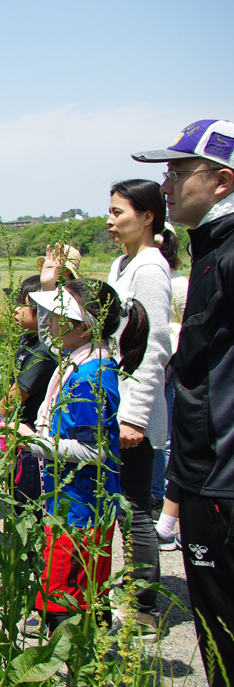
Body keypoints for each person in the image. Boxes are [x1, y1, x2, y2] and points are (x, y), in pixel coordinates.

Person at [132, 119, 234, 687]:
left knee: (222, 636)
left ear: (221, 180)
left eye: (177, 170)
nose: (164, 184)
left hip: (220, 482)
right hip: (204, 477)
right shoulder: (212, 251)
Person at [19, 279, 148, 636]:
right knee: (82, 597)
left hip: (81, 512)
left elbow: (96, 450)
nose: (47, 321)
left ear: (82, 326)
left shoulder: (89, 377)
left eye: (57, 315)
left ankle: (84, 683)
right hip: (70, 503)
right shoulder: (79, 363)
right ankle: (86, 676)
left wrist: (33, 442)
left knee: (68, 603)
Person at [103, 178, 175, 639]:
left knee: (134, 508)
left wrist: (135, 415)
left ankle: (144, 606)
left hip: (135, 412)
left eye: (118, 213)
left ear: (148, 216)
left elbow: (153, 348)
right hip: (116, 404)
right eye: (109, 213)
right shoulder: (122, 263)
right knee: (119, 505)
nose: (110, 222)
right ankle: (121, 595)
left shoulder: (149, 268)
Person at [0, 276, 55, 513]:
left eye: (23, 304)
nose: (15, 310)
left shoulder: (43, 351)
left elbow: (12, 400)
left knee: (29, 510)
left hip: (32, 445)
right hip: (16, 438)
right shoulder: (28, 341)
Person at [154, 221, 188, 549]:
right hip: (148, 365)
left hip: (169, 366)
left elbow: (183, 321)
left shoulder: (178, 283)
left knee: (164, 436)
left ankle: (163, 496)